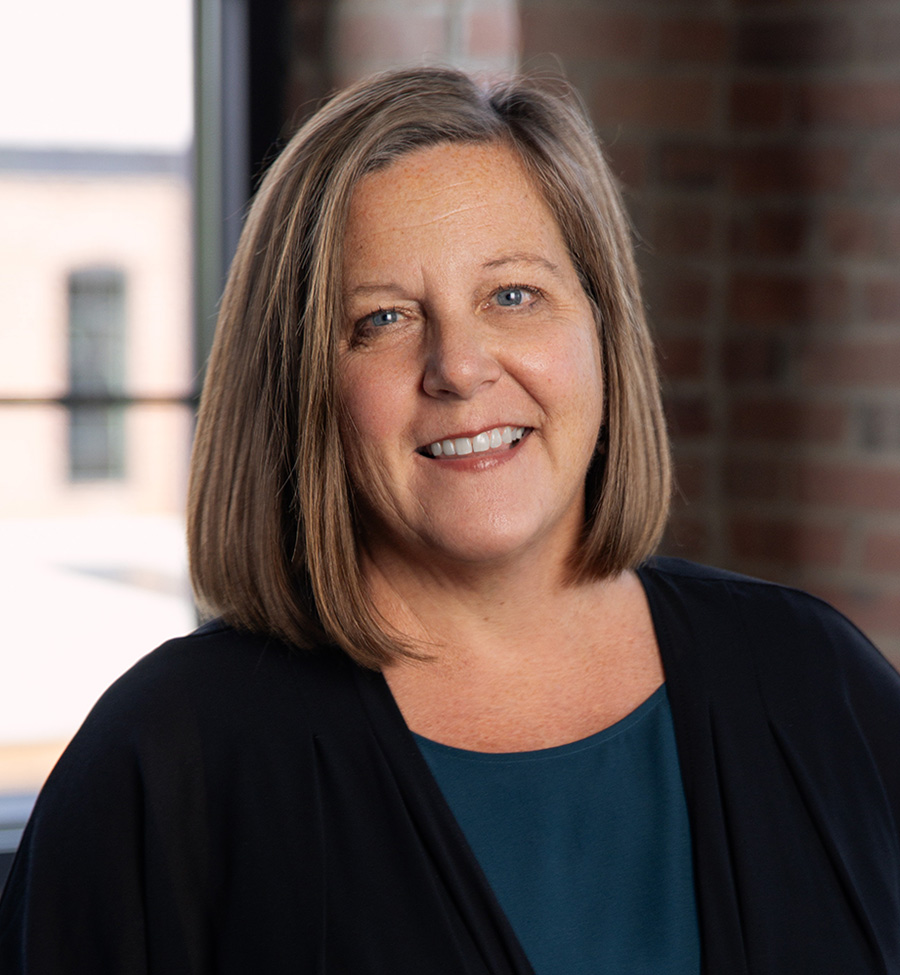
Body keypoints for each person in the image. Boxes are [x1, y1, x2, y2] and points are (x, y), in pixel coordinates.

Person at [1, 65, 899, 975]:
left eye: (513, 295)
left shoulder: (819, 686)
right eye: (383, 318)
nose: (459, 367)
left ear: (602, 327)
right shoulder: (163, 761)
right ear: (303, 385)